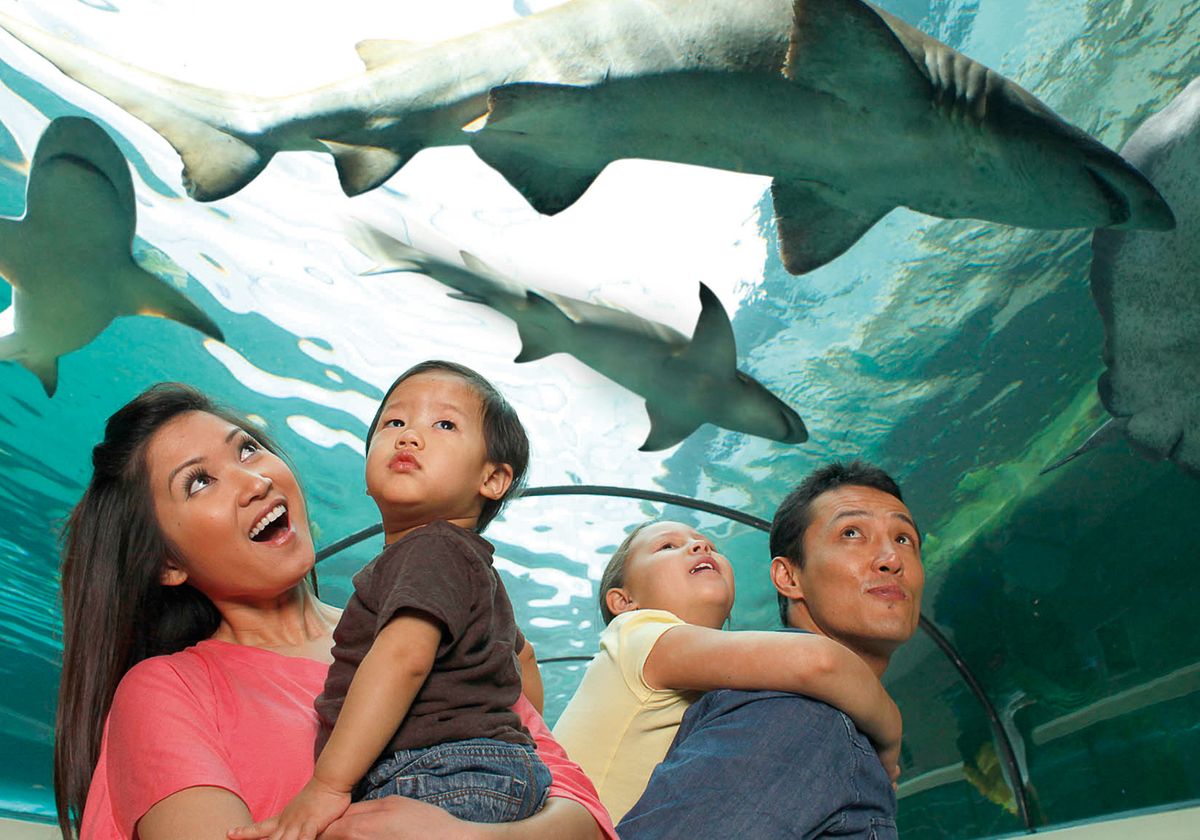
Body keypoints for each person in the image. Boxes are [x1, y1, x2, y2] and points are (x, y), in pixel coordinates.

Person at [52, 382, 616, 840]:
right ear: (168, 561)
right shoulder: (166, 690)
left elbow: (582, 812)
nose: (254, 480)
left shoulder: (432, 617)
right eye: (199, 482)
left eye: (248, 448)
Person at [233, 360, 551, 840]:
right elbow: (522, 657)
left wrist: (327, 785)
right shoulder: (466, 564)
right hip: (483, 771)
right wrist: (515, 740)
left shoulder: (430, 548)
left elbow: (403, 658)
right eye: (394, 423)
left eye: (444, 424)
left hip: (444, 773)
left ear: (493, 479)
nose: (409, 437)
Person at [617, 461, 925, 839]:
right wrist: (891, 732)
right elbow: (820, 664)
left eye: (904, 539)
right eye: (851, 532)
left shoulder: (833, 731)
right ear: (789, 576)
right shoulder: (800, 713)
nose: (892, 559)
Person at [552, 519, 901, 822]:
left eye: (708, 544)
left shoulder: (710, 687)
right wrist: (889, 740)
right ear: (624, 602)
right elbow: (821, 663)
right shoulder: (635, 634)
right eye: (667, 546)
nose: (699, 545)